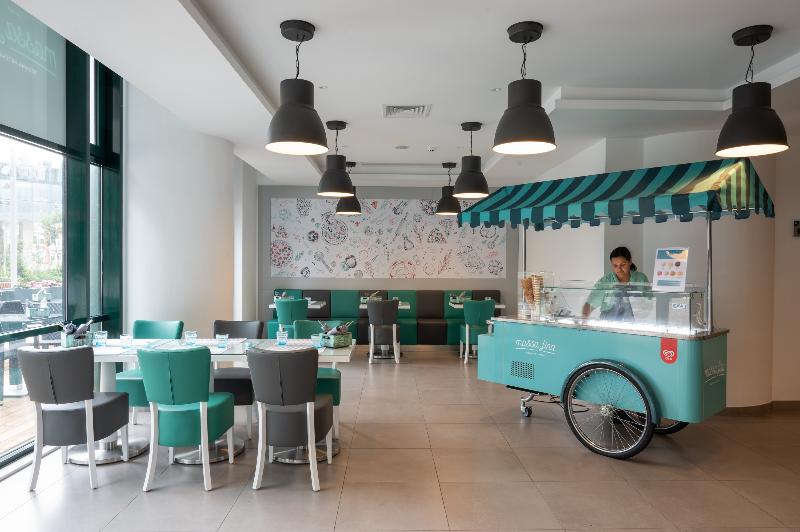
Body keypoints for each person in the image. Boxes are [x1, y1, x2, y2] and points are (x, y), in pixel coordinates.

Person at [581, 246, 650, 320]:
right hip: (608, 323)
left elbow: (649, 304)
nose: (619, 269)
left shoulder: (641, 278)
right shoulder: (606, 281)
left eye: (623, 265)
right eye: (615, 266)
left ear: (630, 261)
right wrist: (584, 320)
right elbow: (590, 304)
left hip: (634, 323)